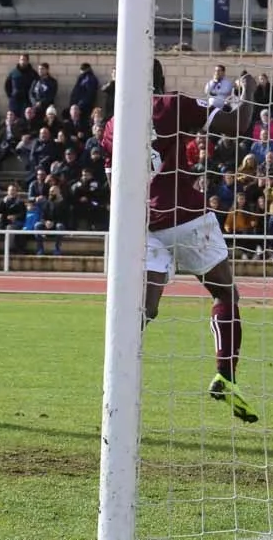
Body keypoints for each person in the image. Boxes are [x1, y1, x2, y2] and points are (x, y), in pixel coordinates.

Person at [101, 65, 259, 423]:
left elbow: (112, 180)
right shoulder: (170, 105)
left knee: (144, 310)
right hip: (186, 218)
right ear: (160, 82)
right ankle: (226, 374)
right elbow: (238, 125)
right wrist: (247, 90)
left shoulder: (111, 125)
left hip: (141, 225)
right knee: (223, 293)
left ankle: (116, 379)